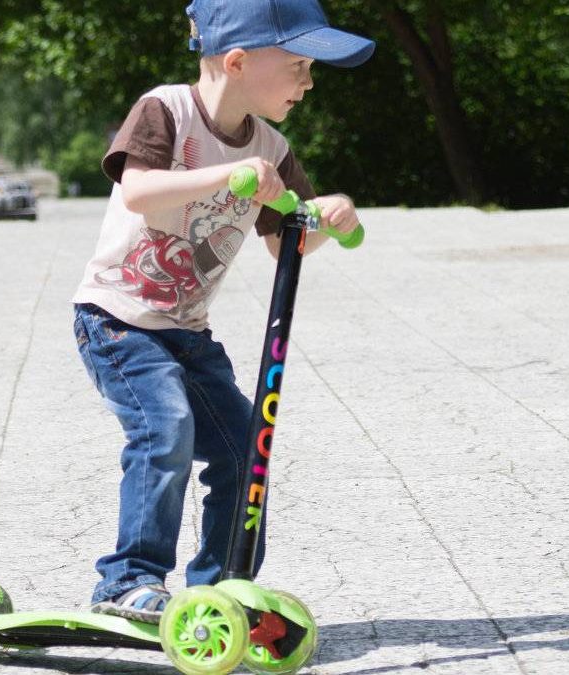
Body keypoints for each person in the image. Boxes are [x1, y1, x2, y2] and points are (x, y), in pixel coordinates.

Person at [70, 0, 374, 623]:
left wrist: (329, 215)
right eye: (298, 66)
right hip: (118, 321)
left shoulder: (271, 148)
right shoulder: (165, 110)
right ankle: (127, 581)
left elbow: (286, 240)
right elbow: (138, 190)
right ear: (237, 62)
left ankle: (220, 587)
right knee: (167, 431)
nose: (308, 82)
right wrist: (228, 174)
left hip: (188, 332)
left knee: (244, 448)